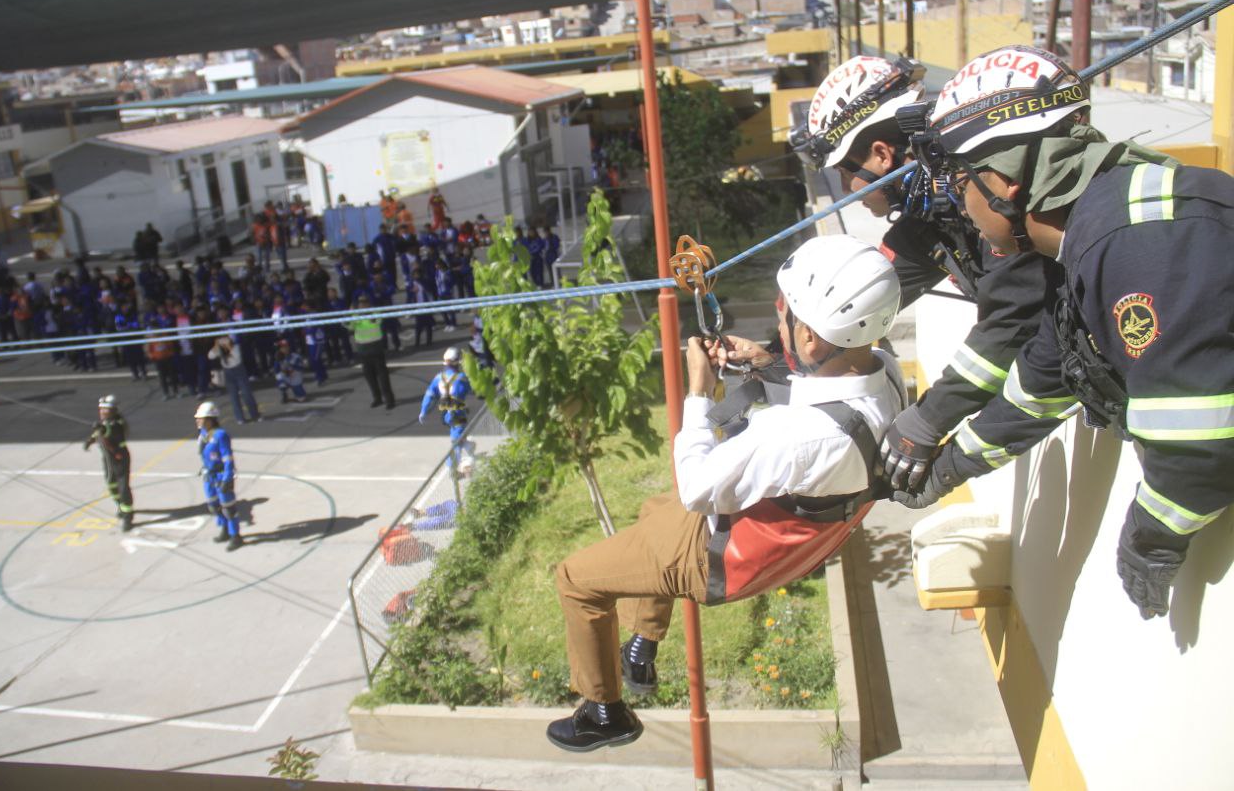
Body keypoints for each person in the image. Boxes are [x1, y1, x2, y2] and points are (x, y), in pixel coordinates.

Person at [893, 46, 1234, 620]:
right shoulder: (1092, 237)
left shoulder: (1139, 238)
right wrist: (952, 467)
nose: (959, 204)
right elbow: (1045, 380)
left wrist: (1152, 539)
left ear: (1001, 179)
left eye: (958, 182)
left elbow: (1197, 439)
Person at [545, 235, 904, 753]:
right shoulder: (885, 374)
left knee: (576, 579)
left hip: (720, 556)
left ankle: (604, 711)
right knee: (653, 511)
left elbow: (697, 486)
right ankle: (642, 643)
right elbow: (823, 397)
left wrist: (699, 390)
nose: (777, 322)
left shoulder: (797, 437)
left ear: (810, 340)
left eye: (784, 316)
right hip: (767, 537)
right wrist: (764, 363)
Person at [790, 54, 1051, 495]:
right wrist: (772, 357)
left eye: (844, 174)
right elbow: (850, 306)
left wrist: (928, 419)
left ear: (880, 154)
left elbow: (1014, 321)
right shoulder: (930, 218)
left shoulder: (988, 186)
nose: (847, 193)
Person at [195, 401, 243, 551]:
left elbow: (227, 458)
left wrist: (227, 478)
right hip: (209, 475)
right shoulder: (203, 434)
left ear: (210, 419)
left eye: (201, 418)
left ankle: (235, 535)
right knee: (213, 506)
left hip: (221, 475)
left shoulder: (220, 435)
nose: (198, 420)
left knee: (228, 507)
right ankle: (224, 529)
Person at [84, 395, 134, 531]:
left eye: (104, 409)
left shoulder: (117, 423)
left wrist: (101, 429)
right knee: (111, 483)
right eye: (100, 409)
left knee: (123, 487)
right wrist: (90, 441)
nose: (101, 412)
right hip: (108, 459)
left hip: (119, 457)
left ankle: (128, 516)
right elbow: (99, 433)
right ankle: (120, 505)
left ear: (112, 410)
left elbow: (109, 433)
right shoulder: (105, 422)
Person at [419, 347, 472, 470]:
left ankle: (467, 449)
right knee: (456, 442)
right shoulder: (462, 378)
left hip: (446, 414)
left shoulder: (438, 378)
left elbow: (429, 396)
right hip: (458, 414)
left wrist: (424, 411)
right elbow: (473, 389)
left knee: (459, 435)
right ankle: (452, 467)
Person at [347, 294, 395, 409]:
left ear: (369, 304)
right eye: (360, 303)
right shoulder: (355, 316)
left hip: (376, 348)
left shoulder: (374, 313)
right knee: (370, 377)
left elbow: (376, 321)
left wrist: (362, 314)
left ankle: (389, 400)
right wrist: (351, 314)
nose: (362, 305)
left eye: (364, 303)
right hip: (363, 350)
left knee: (383, 377)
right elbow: (349, 327)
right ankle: (377, 398)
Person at [208, 333, 262, 424]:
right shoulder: (220, 350)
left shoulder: (236, 347)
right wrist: (216, 346)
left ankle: (255, 415)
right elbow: (210, 356)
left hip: (239, 371)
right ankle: (240, 418)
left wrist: (229, 347)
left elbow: (236, 359)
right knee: (233, 396)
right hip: (228, 373)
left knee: (246, 393)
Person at [274, 339, 309, 404]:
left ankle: (299, 392)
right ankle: (284, 394)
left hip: (295, 376)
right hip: (287, 376)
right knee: (280, 379)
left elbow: (301, 368)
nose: (285, 349)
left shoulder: (295, 356)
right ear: (280, 349)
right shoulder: (278, 358)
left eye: (286, 346)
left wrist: (291, 366)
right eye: (283, 347)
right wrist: (283, 370)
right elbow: (276, 371)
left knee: (301, 398)